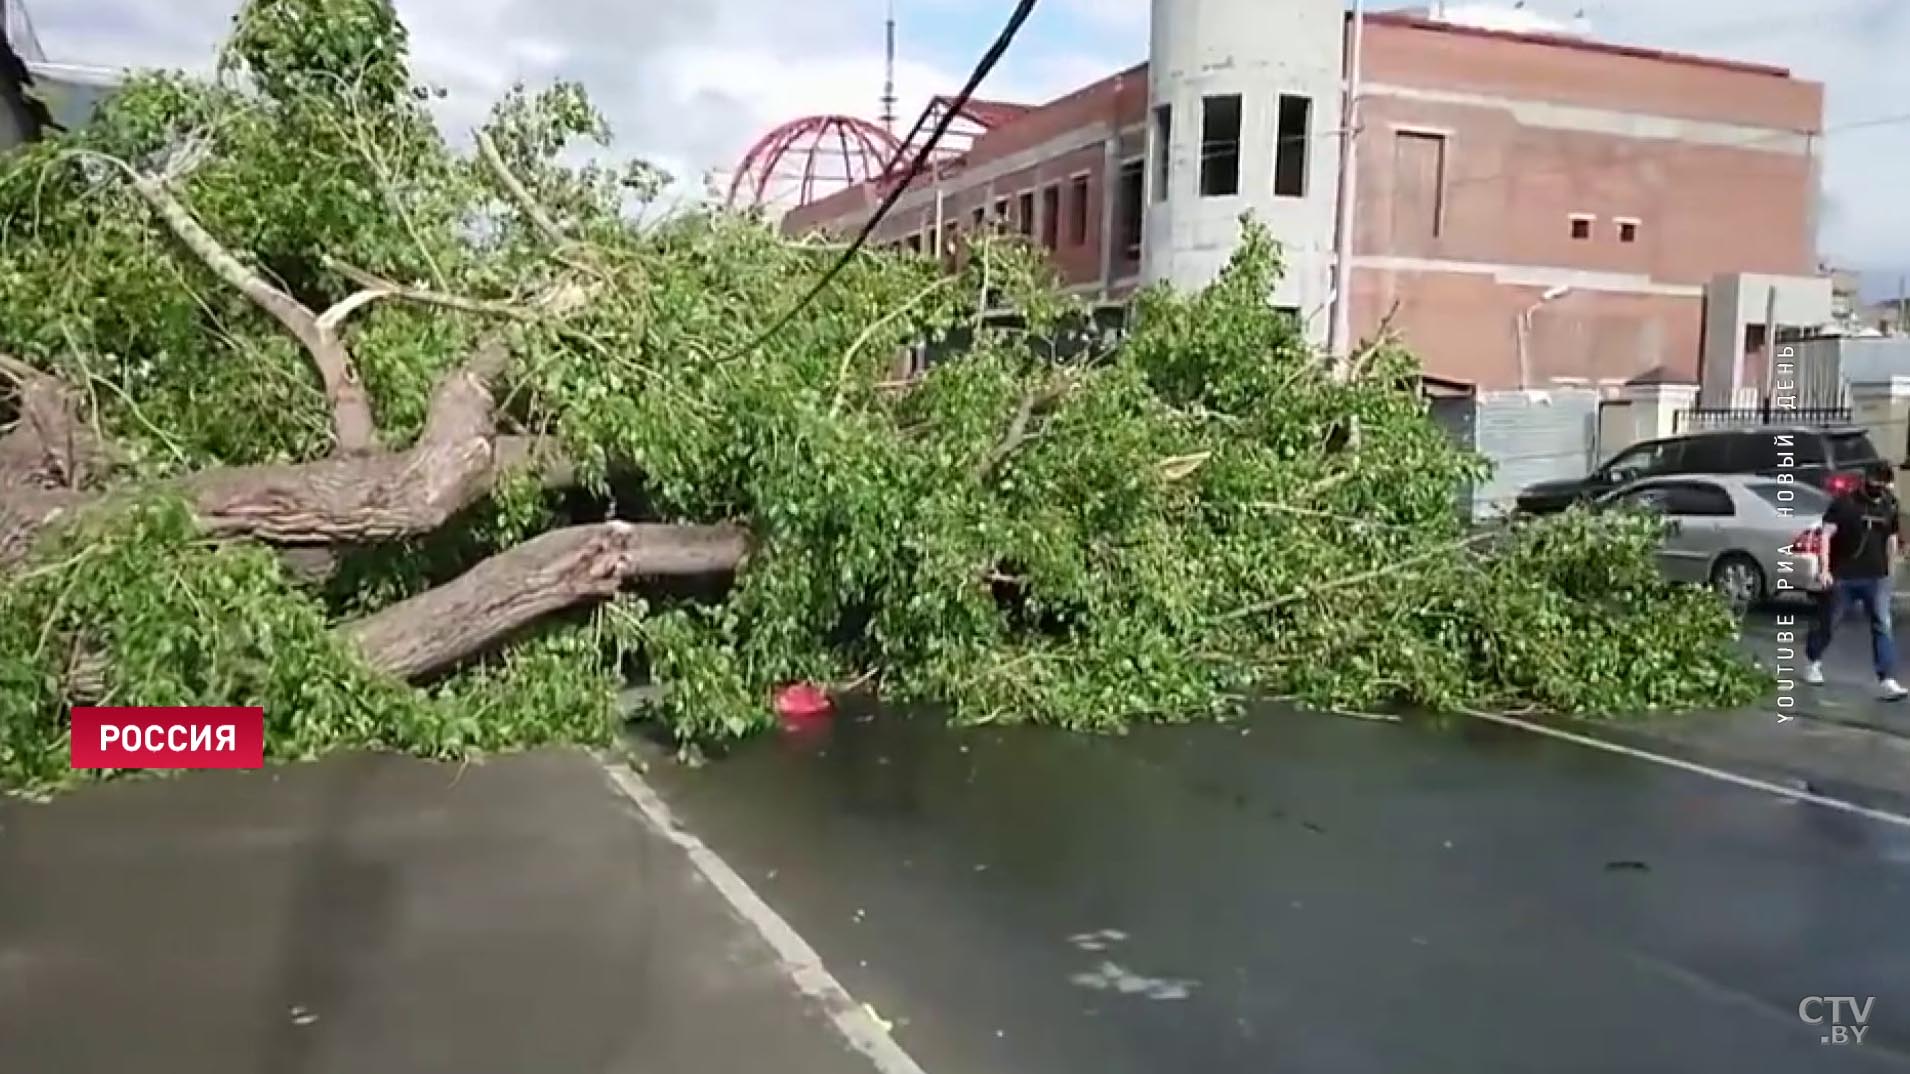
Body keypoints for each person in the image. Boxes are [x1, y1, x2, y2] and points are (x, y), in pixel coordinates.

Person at [1804, 460, 1906, 699]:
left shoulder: (1889, 505)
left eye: (1884, 483)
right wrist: (1825, 569)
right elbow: (1826, 536)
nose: (1879, 488)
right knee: (1830, 622)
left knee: (1883, 626)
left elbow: (1891, 539)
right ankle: (1813, 659)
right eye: (1875, 482)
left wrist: (1890, 571)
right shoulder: (1845, 504)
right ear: (1865, 480)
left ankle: (1887, 679)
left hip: (1877, 577)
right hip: (1844, 576)